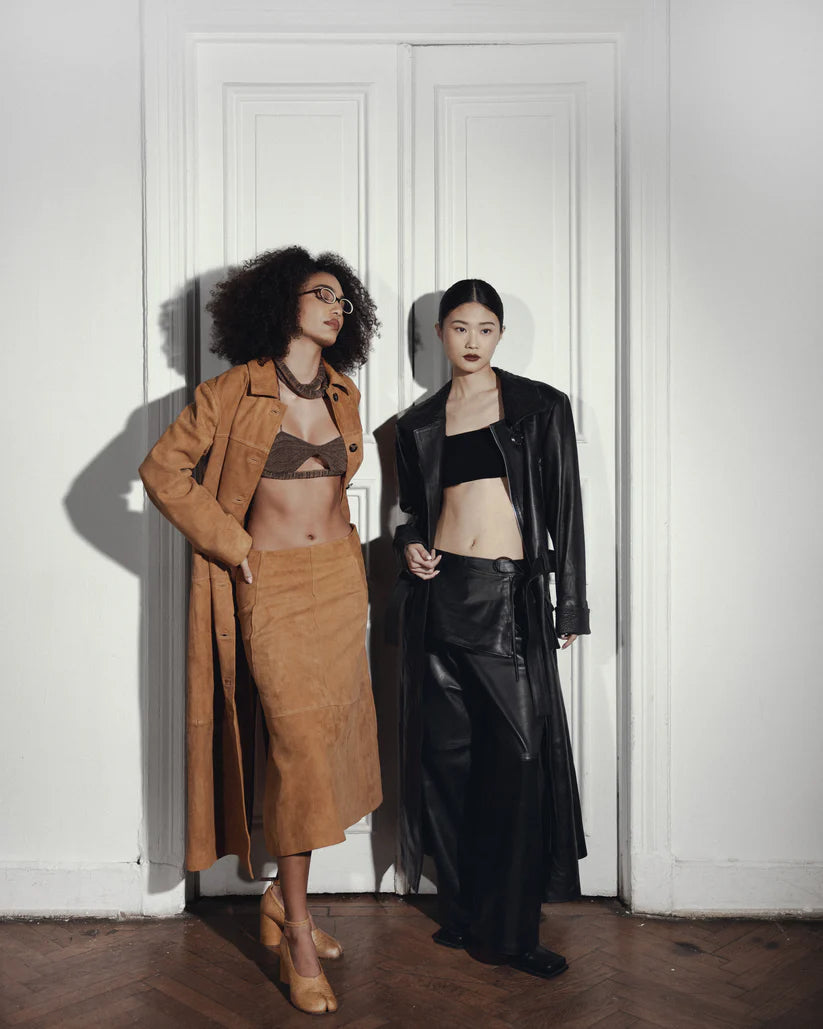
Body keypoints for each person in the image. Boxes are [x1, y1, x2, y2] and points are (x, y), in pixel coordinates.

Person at [140, 245, 382, 1015]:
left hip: (339, 583)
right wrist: (232, 543)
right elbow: (162, 469)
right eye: (321, 294)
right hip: (270, 587)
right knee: (298, 748)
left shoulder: (343, 391)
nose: (336, 308)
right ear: (282, 302)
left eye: (343, 300)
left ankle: (282, 897)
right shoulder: (230, 391)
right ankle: (298, 933)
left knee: (322, 749)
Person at [393, 278, 589, 979]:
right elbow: (414, 512)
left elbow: (564, 506)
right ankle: (466, 912)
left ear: (500, 334)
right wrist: (408, 544)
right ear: (439, 335)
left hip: (507, 599)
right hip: (440, 598)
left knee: (520, 762)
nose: (471, 341)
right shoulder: (418, 421)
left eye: (484, 328)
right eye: (458, 327)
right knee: (448, 763)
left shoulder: (538, 405)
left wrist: (571, 604)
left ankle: (510, 931)